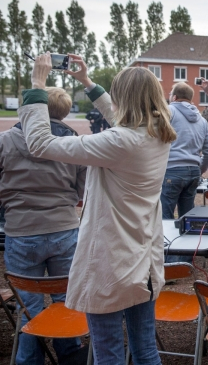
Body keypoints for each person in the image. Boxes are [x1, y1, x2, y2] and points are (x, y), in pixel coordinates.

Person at [19, 53, 177, 365]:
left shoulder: (120, 142)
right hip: (142, 262)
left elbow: (39, 143)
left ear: (123, 99)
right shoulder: (159, 131)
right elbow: (123, 116)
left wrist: (37, 88)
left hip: (110, 264)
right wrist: (88, 83)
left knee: (108, 355)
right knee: (145, 350)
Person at [1, 86, 87, 365]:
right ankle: (70, 354)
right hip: (63, 229)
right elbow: (82, 191)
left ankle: (29, 360)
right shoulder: (74, 144)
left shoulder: (5, 142)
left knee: (28, 306)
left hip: (21, 231)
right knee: (66, 298)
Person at [161, 82, 208, 220]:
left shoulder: (168, 111)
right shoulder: (202, 120)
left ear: (174, 97)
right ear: (191, 99)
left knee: (164, 217)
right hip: (193, 171)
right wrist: (200, 169)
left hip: (171, 170)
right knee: (187, 219)